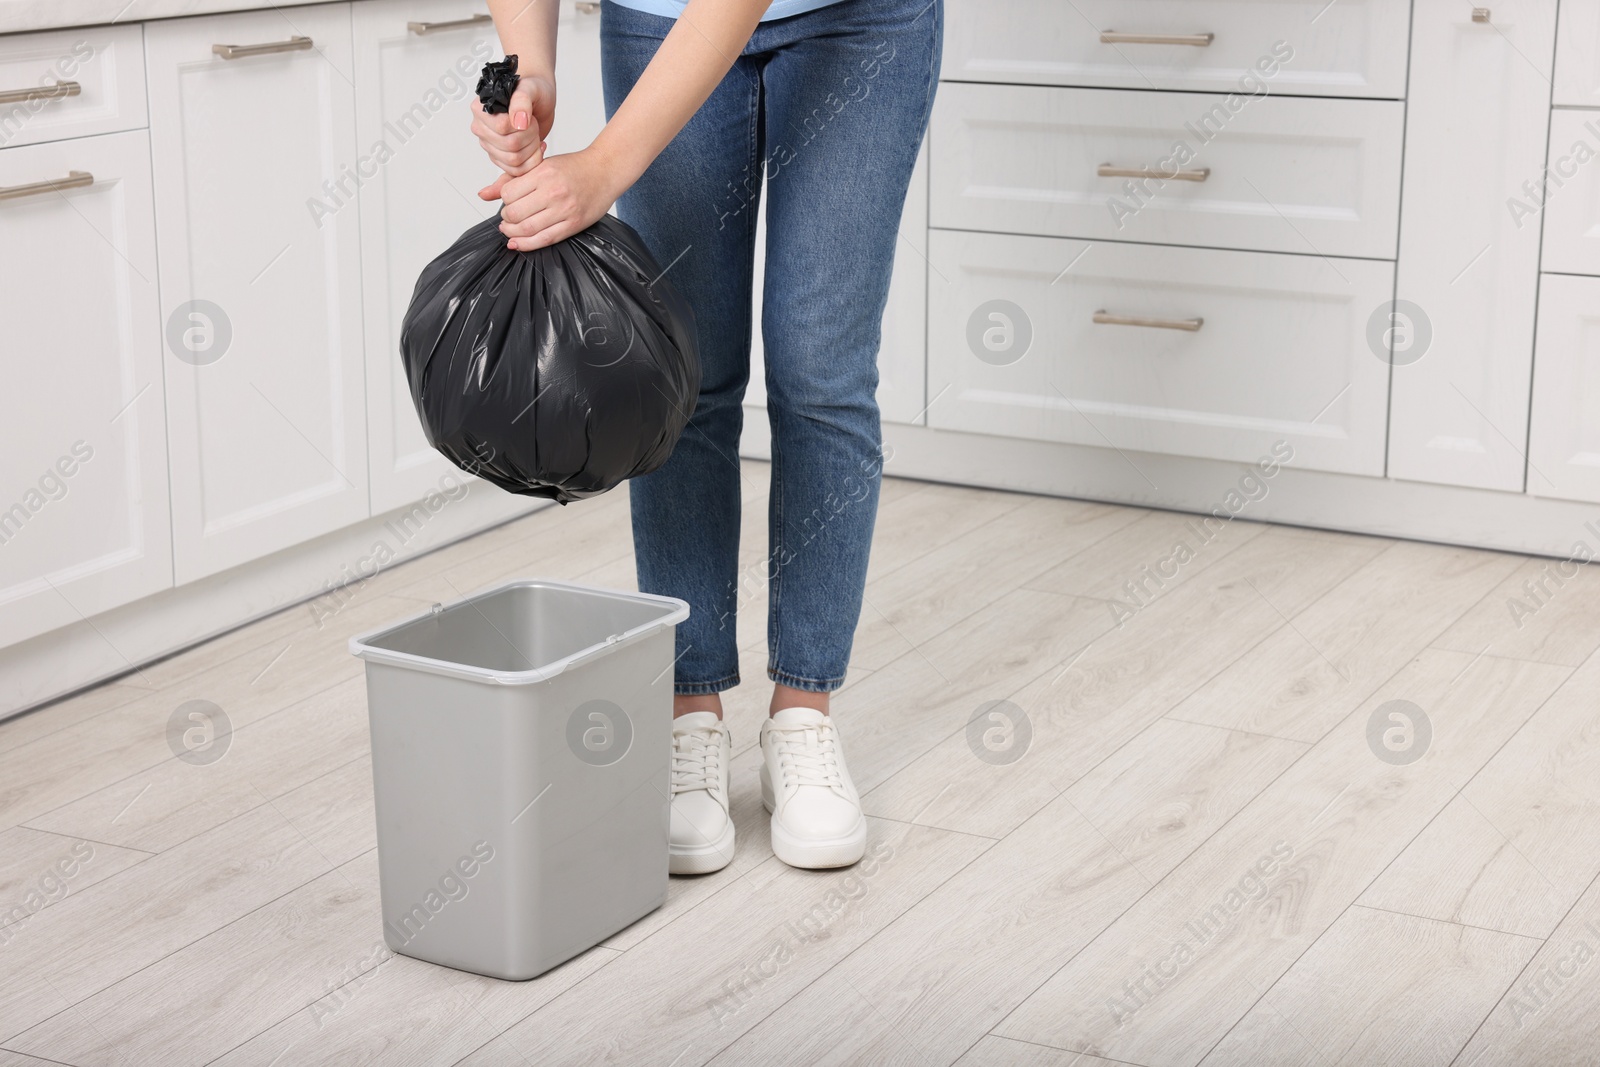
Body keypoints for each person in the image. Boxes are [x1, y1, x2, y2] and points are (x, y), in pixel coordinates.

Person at [475, 0, 940, 872]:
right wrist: (528, 64)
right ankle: (692, 714)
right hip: (657, 17)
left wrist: (603, 168)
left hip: (861, 23)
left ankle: (802, 715)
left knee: (821, 373)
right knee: (683, 373)